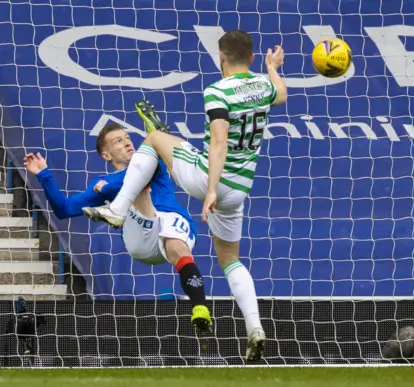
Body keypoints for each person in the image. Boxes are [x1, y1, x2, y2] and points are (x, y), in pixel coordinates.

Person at [82, 29, 288, 362]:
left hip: (211, 178)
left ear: (221, 57)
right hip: (238, 191)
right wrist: (273, 67)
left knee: (153, 138)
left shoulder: (217, 91)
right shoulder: (263, 85)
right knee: (230, 260)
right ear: (252, 58)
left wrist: (208, 190)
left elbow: (219, 143)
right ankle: (254, 327)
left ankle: (118, 209)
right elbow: (280, 94)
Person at [24, 121, 211, 333]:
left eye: (128, 138)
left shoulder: (150, 160)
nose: (127, 143)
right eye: (118, 141)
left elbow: (139, 175)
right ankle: (116, 211)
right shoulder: (103, 182)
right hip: (139, 237)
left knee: (178, 247)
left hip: (169, 221)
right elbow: (64, 209)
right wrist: (44, 175)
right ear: (106, 156)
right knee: (138, 188)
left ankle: (200, 307)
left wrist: (108, 188)